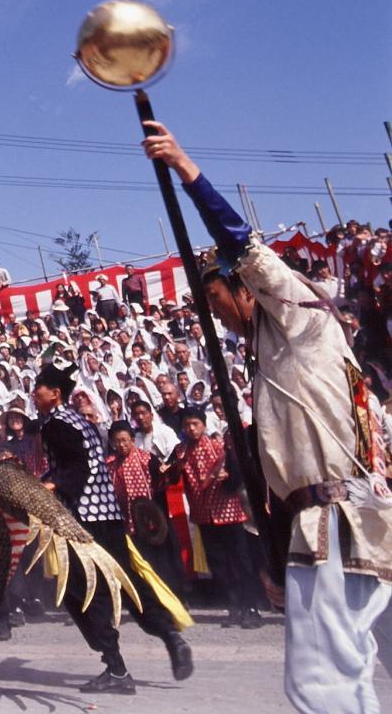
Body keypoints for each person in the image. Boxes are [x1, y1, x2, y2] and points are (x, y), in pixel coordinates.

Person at [144, 121, 392, 713]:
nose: (216, 314)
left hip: (340, 525)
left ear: (247, 290)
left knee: (322, 685)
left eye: (216, 300)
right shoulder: (272, 354)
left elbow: (243, 245)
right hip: (346, 520)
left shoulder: (299, 315)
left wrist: (184, 168)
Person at [34, 360, 192, 693]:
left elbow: (74, 469)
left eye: (39, 389)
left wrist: (52, 486)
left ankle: (116, 668)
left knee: (81, 592)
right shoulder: (81, 421)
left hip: (82, 521)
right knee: (130, 583)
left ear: (55, 394)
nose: (34, 394)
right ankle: (169, 635)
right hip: (108, 516)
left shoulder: (56, 424)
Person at [174, 406, 262, 628]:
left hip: (229, 513)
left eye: (195, 424)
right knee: (219, 564)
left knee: (240, 561)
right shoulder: (181, 452)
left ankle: (251, 607)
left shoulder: (220, 447)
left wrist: (227, 477)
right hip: (204, 516)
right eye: (187, 425)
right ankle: (233, 606)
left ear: (204, 425)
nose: (191, 429)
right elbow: (170, 475)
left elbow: (238, 477)